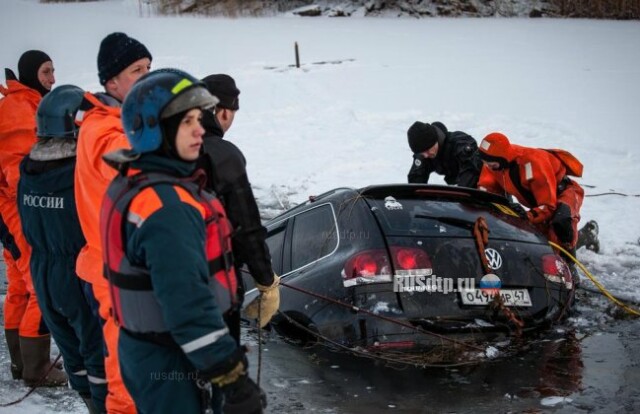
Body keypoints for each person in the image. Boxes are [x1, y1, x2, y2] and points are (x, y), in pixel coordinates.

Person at [101, 68, 265, 414]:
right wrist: (231, 377)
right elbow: (187, 305)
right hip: (172, 356)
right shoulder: (166, 207)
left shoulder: (131, 181)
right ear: (155, 129)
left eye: (198, 118)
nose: (199, 129)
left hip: (148, 351)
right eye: (186, 121)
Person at [17, 85, 107, 413]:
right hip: (78, 274)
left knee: (74, 356)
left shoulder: (27, 172)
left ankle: (88, 401)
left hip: (43, 275)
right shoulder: (79, 175)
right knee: (99, 358)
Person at [74, 32, 151, 413]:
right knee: (129, 381)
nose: (147, 77)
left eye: (149, 69)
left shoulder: (120, 121)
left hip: (126, 269)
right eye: (138, 71)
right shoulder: (102, 129)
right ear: (111, 82)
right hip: (117, 276)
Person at [0, 50, 67, 386]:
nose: (52, 79)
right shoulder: (18, 108)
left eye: (53, 71)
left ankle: (21, 364)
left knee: (20, 287)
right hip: (18, 210)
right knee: (41, 284)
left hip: (12, 210)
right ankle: (37, 368)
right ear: (29, 73)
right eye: (45, 72)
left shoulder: (29, 103)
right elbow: (18, 172)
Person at [198, 74, 280, 339]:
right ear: (221, 112)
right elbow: (247, 226)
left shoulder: (166, 150)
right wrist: (266, 282)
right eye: (232, 111)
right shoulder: (224, 155)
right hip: (217, 283)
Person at [476, 132, 585, 257]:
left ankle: (570, 266)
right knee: (540, 237)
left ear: (502, 159)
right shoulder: (492, 163)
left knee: (560, 230)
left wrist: (527, 216)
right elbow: (486, 188)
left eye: (492, 164)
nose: (488, 167)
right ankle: (586, 235)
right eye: (485, 163)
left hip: (562, 194)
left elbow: (548, 206)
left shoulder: (532, 163)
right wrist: (481, 201)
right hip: (539, 200)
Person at [407, 121, 482, 188]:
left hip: (482, 189)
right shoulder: (425, 154)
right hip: (458, 192)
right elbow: (416, 181)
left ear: (434, 140)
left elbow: (470, 169)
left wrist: (458, 197)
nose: (426, 155)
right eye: (422, 153)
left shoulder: (460, 143)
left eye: (427, 150)